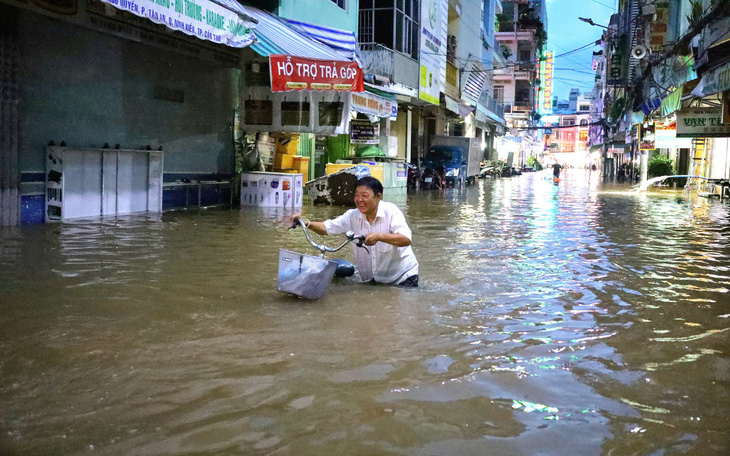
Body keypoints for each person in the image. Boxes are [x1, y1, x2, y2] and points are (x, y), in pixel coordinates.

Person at [291, 176, 419, 287]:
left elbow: (405, 239)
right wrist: (306, 223)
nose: (359, 200)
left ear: (378, 197)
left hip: (402, 277)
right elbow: (326, 227)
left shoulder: (391, 212)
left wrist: (379, 236)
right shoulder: (352, 216)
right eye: (357, 195)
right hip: (374, 280)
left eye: (364, 195)